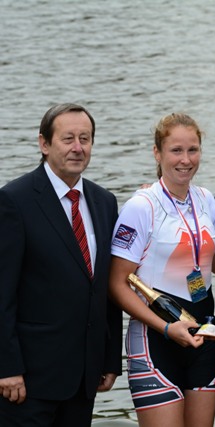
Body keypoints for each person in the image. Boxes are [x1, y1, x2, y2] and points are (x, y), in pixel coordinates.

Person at [0, 103, 122, 427]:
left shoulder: (104, 202)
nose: (77, 148)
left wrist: (110, 359)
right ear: (44, 143)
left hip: (84, 376)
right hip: (28, 381)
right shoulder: (14, 201)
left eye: (85, 139)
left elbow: (105, 286)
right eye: (68, 139)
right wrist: (6, 367)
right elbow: (2, 292)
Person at [108, 113, 215, 427]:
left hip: (203, 338)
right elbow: (117, 284)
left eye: (193, 150)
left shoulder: (207, 200)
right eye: (176, 150)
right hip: (156, 340)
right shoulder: (141, 207)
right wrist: (165, 328)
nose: (185, 160)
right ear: (157, 153)